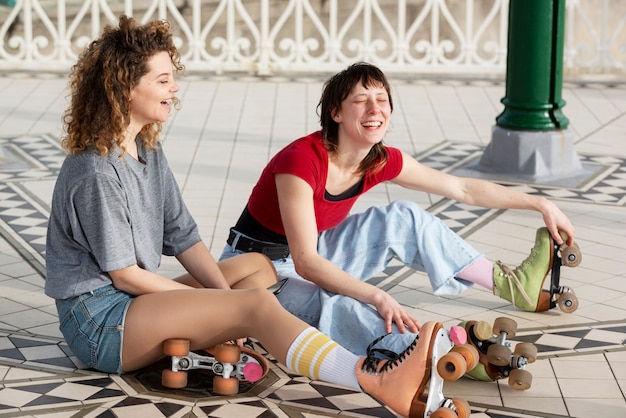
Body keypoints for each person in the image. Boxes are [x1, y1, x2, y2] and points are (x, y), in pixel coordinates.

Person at [43, 17, 453, 418]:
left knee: (259, 267)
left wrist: (222, 301)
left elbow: (184, 237)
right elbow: (125, 276)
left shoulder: (147, 151)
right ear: (126, 87)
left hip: (130, 305)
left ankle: (216, 331)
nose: (175, 87)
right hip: (99, 325)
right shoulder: (95, 171)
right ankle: (372, 380)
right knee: (254, 303)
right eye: (163, 79)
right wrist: (229, 305)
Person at [220, 62, 577, 357]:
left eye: (382, 99)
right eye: (361, 100)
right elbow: (307, 263)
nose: (375, 110)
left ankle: (513, 285)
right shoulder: (301, 161)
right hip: (260, 273)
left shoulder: (378, 161)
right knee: (340, 303)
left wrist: (539, 203)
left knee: (403, 217)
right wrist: (377, 294)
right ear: (336, 113)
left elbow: (462, 188)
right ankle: (429, 354)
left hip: (312, 251)